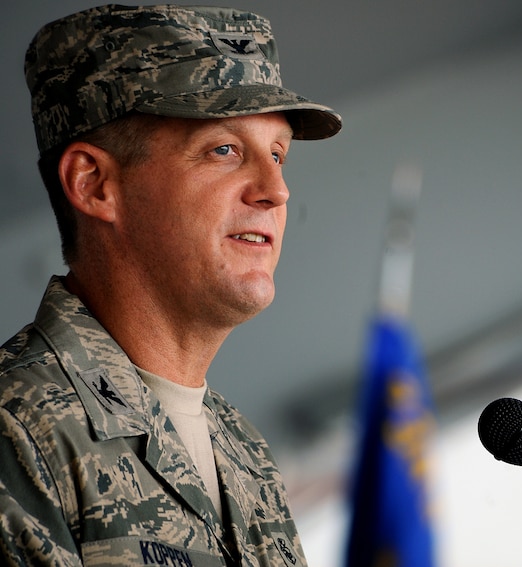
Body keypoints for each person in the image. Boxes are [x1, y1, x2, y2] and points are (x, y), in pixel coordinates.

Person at [0, 5, 341, 566]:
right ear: (94, 184)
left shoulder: (246, 453)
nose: (276, 190)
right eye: (225, 150)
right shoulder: (19, 428)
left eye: (278, 154)